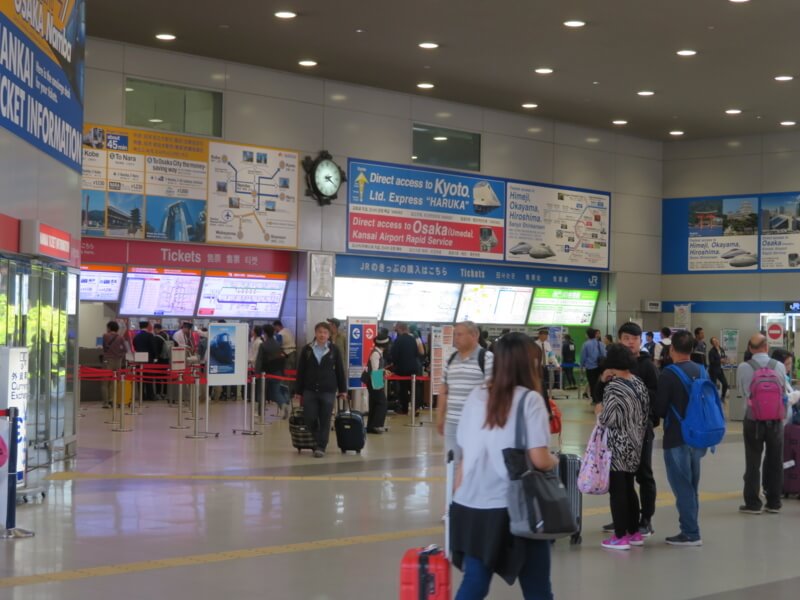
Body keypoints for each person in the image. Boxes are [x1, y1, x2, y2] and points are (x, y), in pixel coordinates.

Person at [450, 332, 557, 599]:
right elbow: (539, 459)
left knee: (474, 583)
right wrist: (557, 459)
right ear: (526, 364)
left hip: (471, 505)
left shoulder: (476, 395)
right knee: (537, 588)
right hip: (514, 506)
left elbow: (464, 454)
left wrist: (455, 502)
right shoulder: (530, 400)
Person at [597, 322, 660, 538]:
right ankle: (624, 521)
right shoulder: (610, 370)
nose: (630, 342)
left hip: (640, 430)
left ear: (640, 341)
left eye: (634, 338)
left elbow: (655, 397)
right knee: (623, 481)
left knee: (642, 475)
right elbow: (599, 393)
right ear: (619, 340)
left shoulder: (646, 366)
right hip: (623, 434)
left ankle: (645, 519)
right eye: (626, 338)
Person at [653, 330, 706, 546]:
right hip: (698, 437)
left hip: (676, 437)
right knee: (692, 486)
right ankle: (691, 528)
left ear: (672, 349)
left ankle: (691, 532)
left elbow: (661, 409)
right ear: (692, 349)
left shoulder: (668, 373)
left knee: (682, 485)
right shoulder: (702, 370)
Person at [735, 334, 786, 514]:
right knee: (775, 461)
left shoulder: (743, 367)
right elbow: (783, 390)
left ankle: (753, 504)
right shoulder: (778, 366)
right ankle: (774, 502)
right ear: (766, 347)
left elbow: (742, 392)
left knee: (753, 462)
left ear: (750, 348)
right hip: (776, 421)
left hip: (752, 420)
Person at [437, 321, 494, 467]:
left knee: (474, 465)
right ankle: (454, 490)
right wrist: (440, 417)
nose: (455, 338)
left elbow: (493, 391)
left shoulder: (487, 358)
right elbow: (444, 390)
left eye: (460, 334)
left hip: (476, 424)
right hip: (452, 423)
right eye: (454, 334)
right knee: (452, 464)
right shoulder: (451, 359)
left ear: (475, 335)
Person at [293, 322, 347, 458]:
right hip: (310, 390)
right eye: (320, 332)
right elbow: (301, 372)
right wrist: (298, 391)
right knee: (309, 417)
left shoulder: (334, 350)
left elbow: (340, 371)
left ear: (329, 335)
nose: (322, 335)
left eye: (325, 332)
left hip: (328, 390)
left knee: (325, 418)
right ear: (315, 333)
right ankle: (317, 439)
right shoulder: (307, 350)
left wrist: (343, 390)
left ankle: (321, 446)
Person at [257, 324, 289, 418]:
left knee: (262, 392)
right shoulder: (277, 344)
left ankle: (261, 412)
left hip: (266, 373)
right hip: (277, 371)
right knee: (276, 391)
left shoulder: (263, 345)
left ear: (265, 333)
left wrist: (257, 373)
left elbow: (260, 360)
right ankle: (283, 404)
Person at [390, 322, 422, 414]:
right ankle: (416, 408)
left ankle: (404, 409)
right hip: (413, 368)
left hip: (402, 369)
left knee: (403, 390)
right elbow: (417, 353)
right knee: (413, 389)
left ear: (400, 329)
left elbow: (394, 355)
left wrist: (395, 364)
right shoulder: (412, 339)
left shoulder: (398, 340)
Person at [365, 330, 391, 433]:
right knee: (382, 403)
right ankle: (377, 425)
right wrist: (378, 385)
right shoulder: (376, 354)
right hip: (375, 381)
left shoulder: (377, 353)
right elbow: (375, 371)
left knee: (374, 403)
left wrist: (384, 370)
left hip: (373, 381)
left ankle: (371, 426)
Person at [101, 321, 127, 408]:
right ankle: (112, 400)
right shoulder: (120, 338)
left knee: (105, 383)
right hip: (118, 362)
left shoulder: (105, 336)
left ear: (109, 328)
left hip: (108, 361)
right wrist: (119, 355)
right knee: (114, 382)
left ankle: (106, 402)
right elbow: (125, 350)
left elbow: (104, 347)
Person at [133, 320, 158, 401]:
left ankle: (141, 396)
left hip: (139, 359)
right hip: (148, 359)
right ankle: (150, 395)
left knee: (140, 378)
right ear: (147, 326)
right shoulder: (150, 335)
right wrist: (155, 357)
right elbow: (153, 347)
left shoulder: (136, 336)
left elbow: (135, 346)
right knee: (149, 378)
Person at [581, 327, 606, 400]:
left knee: (592, 383)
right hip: (599, 366)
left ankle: (594, 398)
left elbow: (583, 357)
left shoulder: (586, 344)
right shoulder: (600, 343)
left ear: (587, 335)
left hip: (590, 367)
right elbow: (604, 354)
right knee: (599, 382)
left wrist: (582, 366)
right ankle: (599, 397)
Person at [153, 324, 171, 401]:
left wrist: (155, 358)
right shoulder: (167, 335)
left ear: (156, 329)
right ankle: (165, 393)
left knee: (158, 377)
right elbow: (176, 344)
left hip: (159, 360)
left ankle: (158, 393)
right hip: (166, 360)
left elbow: (155, 350)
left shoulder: (156, 338)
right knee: (165, 377)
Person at [708, 337, 729, 401]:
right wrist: (720, 361)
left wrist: (725, 361)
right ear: (712, 343)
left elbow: (723, 357)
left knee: (725, 384)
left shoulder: (721, 349)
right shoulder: (711, 352)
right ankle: (713, 398)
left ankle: (723, 397)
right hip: (713, 371)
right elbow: (711, 361)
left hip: (720, 370)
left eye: (716, 340)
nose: (716, 341)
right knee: (713, 386)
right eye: (714, 341)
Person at [535, 328, 554, 397]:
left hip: (545, 366)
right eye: (544, 335)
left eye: (546, 335)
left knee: (545, 381)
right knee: (538, 381)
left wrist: (553, 362)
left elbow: (551, 354)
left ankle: (544, 394)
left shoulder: (547, 344)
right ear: (539, 335)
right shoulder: (535, 344)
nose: (545, 337)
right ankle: (538, 394)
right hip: (538, 366)